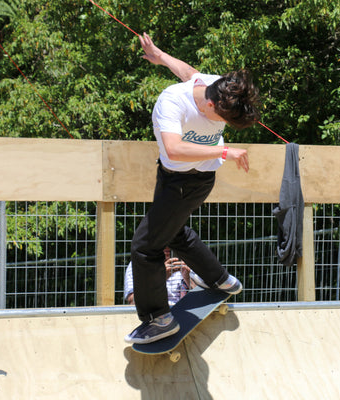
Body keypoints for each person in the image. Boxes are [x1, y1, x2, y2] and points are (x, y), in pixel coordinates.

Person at [125, 33, 260, 344]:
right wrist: (223, 151)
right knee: (171, 233)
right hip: (177, 177)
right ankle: (220, 280)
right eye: (220, 117)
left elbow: (189, 72)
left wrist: (161, 56)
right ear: (209, 101)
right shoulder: (172, 101)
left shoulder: (218, 87)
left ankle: (158, 318)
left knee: (145, 247)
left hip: (190, 184)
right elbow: (173, 148)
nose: (220, 124)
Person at [124, 248, 194, 306]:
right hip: (153, 314)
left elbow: (202, 298)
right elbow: (133, 302)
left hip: (184, 313)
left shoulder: (187, 262)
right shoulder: (139, 264)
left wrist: (188, 279)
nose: (167, 245)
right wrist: (160, 279)